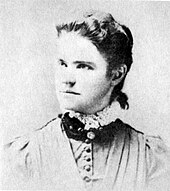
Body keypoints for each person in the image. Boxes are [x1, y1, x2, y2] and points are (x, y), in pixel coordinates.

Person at [2, 10, 170, 191]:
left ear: (116, 74)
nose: (67, 79)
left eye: (83, 66)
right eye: (62, 64)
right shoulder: (23, 156)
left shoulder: (149, 158)